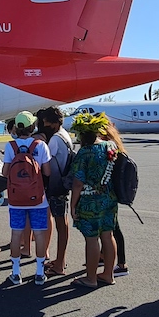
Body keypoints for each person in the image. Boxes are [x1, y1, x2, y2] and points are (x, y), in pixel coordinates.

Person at [69, 112, 118, 288]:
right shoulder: (110, 146)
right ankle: (108, 274)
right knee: (108, 235)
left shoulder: (85, 152)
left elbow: (77, 182)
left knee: (91, 239)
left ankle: (90, 278)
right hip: (109, 198)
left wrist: (72, 205)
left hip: (90, 200)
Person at [2, 111, 52, 285]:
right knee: (39, 234)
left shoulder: (10, 146)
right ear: (33, 127)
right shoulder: (41, 145)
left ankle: (16, 272)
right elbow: (47, 172)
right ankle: (39, 272)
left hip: (16, 199)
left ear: (16, 127)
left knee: (16, 234)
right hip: (38, 198)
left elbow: (5, 172)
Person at [39, 107, 73, 277]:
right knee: (62, 224)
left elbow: (44, 162)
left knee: (61, 224)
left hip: (56, 186)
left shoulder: (54, 140)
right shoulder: (65, 135)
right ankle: (60, 259)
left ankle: (60, 264)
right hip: (63, 185)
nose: (44, 124)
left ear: (53, 122)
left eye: (46, 121)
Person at [100, 122, 131, 278]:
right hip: (112, 194)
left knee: (114, 229)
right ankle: (103, 255)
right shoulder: (116, 148)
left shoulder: (110, 150)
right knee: (106, 228)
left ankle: (122, 264)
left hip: (109, 195)